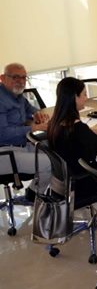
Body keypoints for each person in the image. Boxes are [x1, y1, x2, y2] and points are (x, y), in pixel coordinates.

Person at [0, 63, 51, 195]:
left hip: (21, 145)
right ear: (2, 78)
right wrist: (33, 127)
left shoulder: (17, 95)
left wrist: (37, 114)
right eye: (15, 77)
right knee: (50, 163)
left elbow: (30, 109)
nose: (21, 81)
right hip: (4, 152)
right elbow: (3, 134)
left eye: (23, 77)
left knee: (57, 153)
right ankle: (34, 197)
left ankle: (33, 193)